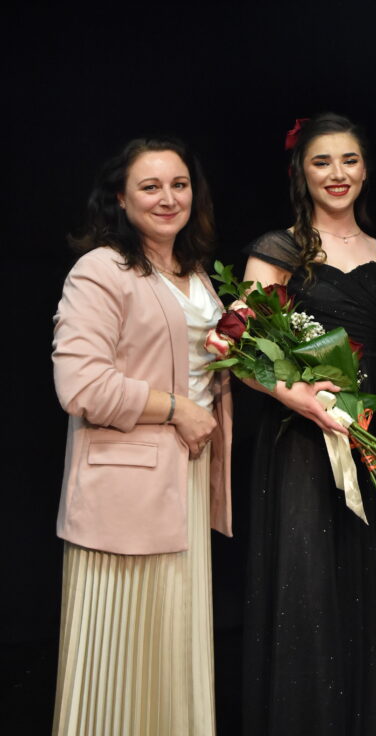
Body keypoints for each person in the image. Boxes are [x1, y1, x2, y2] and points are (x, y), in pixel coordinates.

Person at [240, 113, 376, 736]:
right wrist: (303, 400)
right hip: (306, 439)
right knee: (311, 585)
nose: (338, 174)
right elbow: (246, 355)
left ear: (365, 169)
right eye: (322, 162)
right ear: (301, 173)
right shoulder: (278, 250)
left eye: (350, 160)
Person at [52, 137, 232, 736]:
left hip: (186, 479)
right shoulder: (101, 270)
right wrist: (178, 409)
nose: (168, 198)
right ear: (121, 200)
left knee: (173, 652)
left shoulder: (195, 273)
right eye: (150, 187)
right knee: (119, 660)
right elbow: (81, 385)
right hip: (125, 491)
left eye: (179, 185)